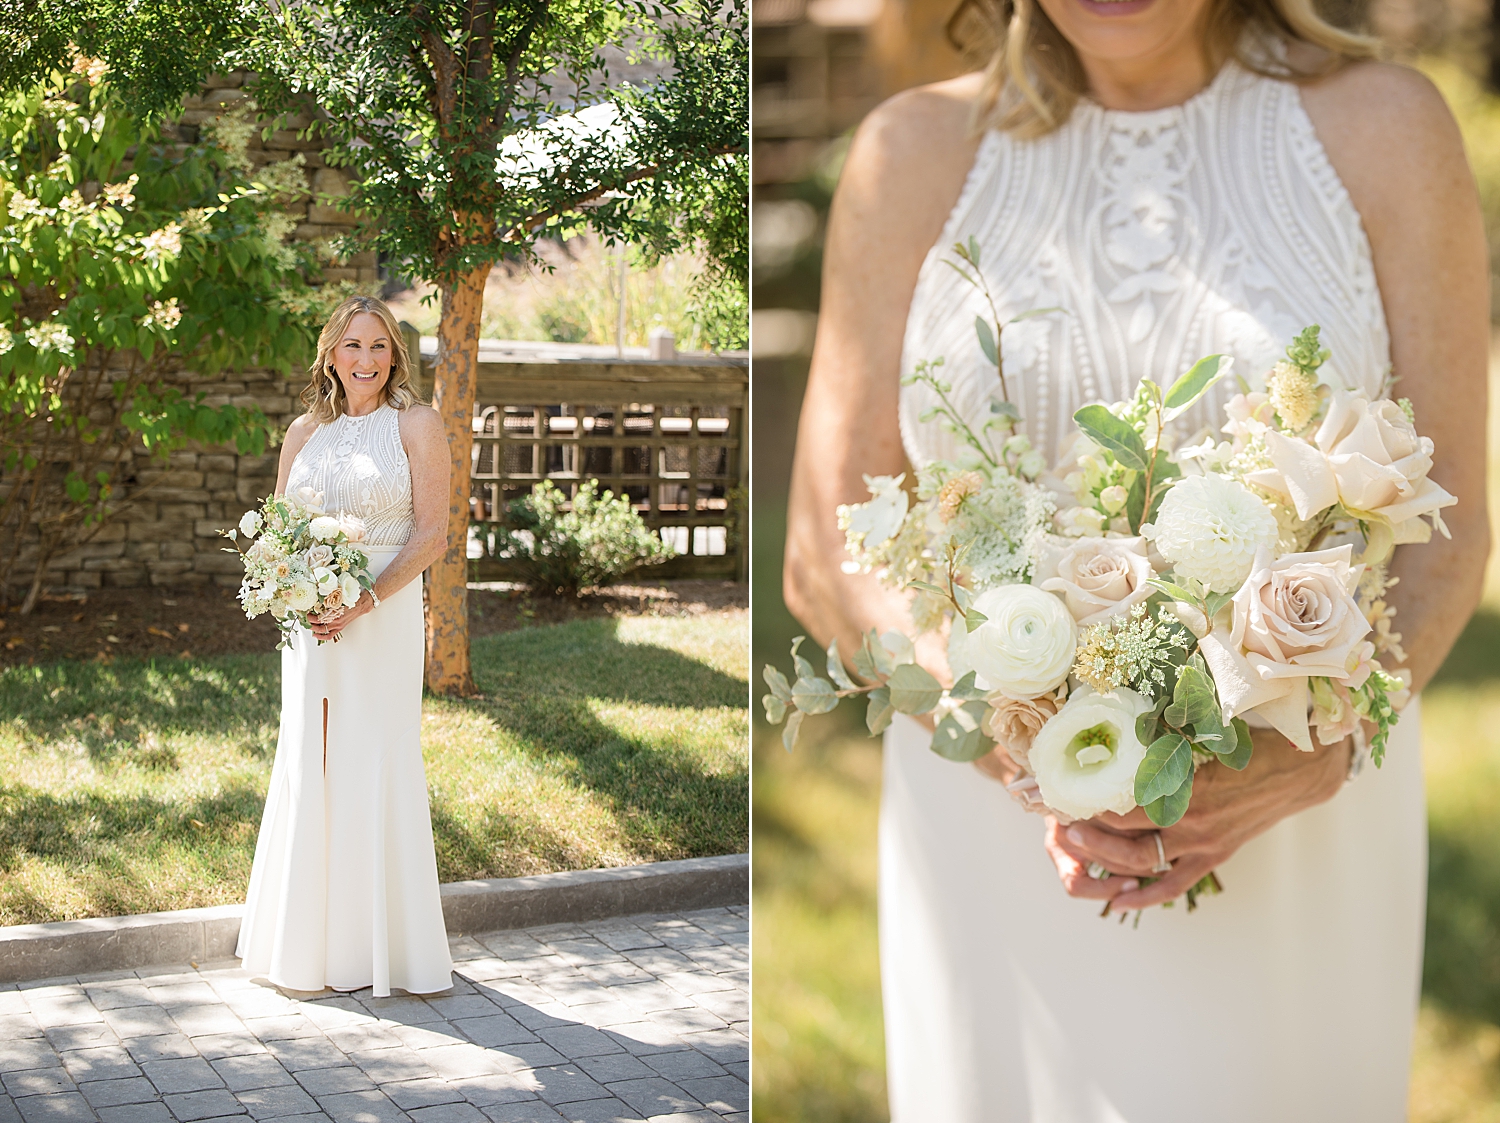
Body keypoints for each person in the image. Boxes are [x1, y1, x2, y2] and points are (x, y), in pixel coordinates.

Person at [782, 0, 1491, 1114]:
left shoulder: (1386, 128)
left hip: (1295, 818)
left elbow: (1452, 537)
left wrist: (1328, 748)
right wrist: (1018, 746)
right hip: (991, 822)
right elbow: (826, 545)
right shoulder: (907, 156)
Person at [236, 295, 453, 996]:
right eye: (353, 345)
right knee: (312, 757)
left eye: (379, 346)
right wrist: (290, 587)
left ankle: (382, 949)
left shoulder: (416, 424)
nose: (366, 360)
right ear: (331, 353)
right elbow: (279, 532)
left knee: (371, 757)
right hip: (309, 624)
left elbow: (432, 535)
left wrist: (364, 597)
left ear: (395, 356)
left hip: (380, 614)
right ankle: (307, 947)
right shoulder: (304, 431)